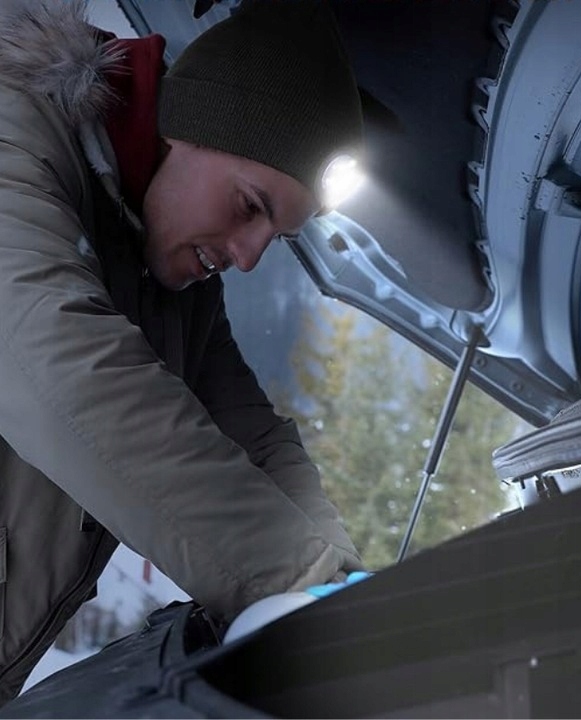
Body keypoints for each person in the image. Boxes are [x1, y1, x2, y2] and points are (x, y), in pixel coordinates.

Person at [0, 0, 365, 703]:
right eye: (250, 206)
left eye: (276, 237)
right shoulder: (15, 142)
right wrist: (293, 582)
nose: (249, 256)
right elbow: (58, 363)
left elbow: (254, 440)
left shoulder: (172, 282)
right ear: (182, 132)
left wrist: (341, 588)